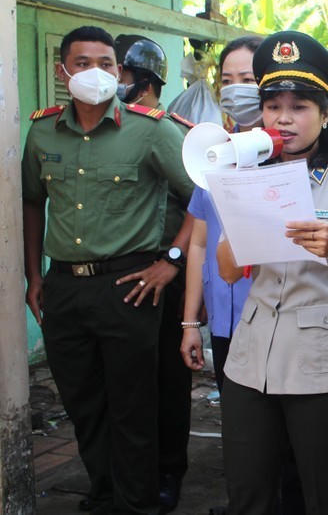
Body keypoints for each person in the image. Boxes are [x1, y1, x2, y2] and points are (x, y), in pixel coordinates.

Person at [22, 26, 194, 514]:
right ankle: (103, 496)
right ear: (63, 71)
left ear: (119, 72)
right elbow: (32, 203)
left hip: (129, 285)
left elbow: (200, 195)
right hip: (64, 288)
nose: (94, 72)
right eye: (81, 63)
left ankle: (136, 504)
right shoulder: (42, 130)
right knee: (83, 403)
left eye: (105, 63)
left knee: (132, 408)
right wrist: (33, 277)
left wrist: (171, 262)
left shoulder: (151, 129)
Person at [217, 31, 328, 515]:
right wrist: (239, 220)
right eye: (273, 105)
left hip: (324, 367)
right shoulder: (249, 176)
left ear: (325, 113)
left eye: (300, 107)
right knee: (247, 494)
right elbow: (229, 272)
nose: (284, 119)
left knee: (325, 497)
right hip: (251, 363)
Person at [114, 34, 195, 513]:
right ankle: (125, 475)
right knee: (126, 382)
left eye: (119, 73)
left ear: (143, 82)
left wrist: (173, 262)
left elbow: (199, 205)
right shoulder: (102, 130)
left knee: (166, 379)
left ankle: (169, 471)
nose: (110, 81)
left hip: (166, 272)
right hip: (123, 274)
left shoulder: (172, 131)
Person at [180, 35, 263, 391]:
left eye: (247, 80)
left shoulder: (291, 156)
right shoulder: (213, 152)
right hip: (223, 320)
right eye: (227, 82)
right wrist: (189, 324)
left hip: (273, 318)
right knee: (239, 429)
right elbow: (199, 243)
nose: (235, 91)